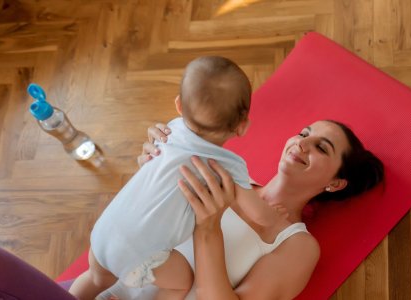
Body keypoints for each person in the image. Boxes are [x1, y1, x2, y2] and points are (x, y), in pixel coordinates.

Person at [98, 119, 385, 299]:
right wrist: (159, 158)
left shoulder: (298, 245)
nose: (302, 142)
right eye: (303, 133)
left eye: (321, 147)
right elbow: (142, 219)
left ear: (335, 183)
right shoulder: (226, 173)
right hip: (110, 284)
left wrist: (209, 228)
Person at [70, 56, 264, 300]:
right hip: (138, 254)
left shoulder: (169, 129)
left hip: (105, 230)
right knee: (181, 283)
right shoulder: (228, 165)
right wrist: (271, 213)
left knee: (94, 278)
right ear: (242, 126)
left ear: (179, 105)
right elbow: (259, 215)